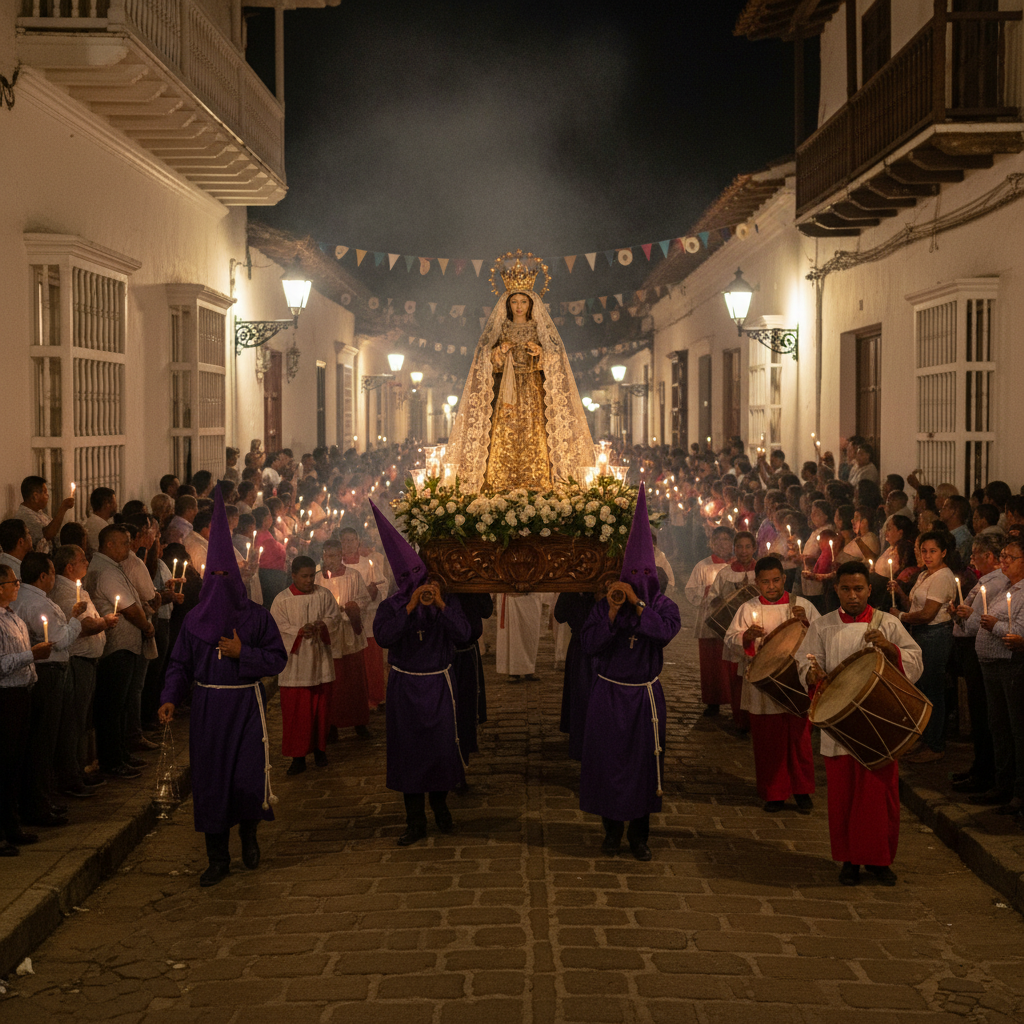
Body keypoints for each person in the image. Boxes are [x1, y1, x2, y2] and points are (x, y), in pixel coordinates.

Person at [159, 491, 288, 887]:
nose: (218, 584)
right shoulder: (194, 621)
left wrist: (242, 653)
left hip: (246, 706)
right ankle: (217, 858)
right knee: (212, 781)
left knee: (246, 776)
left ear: (236, 578)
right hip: (209, 709)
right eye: (212, 577)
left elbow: (277, 659)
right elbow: (179, 663)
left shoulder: (256, 618)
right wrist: (169, 697)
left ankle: (249, 836)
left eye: (225, 577)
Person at [798, 561, 923, 886]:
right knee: (844, 796)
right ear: (836, 590)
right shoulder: (823, 626)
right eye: (846, 589)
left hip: (879, 723)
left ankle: (879, 860)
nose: (852, 595)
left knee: (878, 796)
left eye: (858, 588)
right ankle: (849, 860)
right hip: (839, 724)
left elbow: (915, 660)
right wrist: (811, 673)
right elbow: (806, 661)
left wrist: (891, 649)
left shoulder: (887, 623)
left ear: (869, 589)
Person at [579, 485, 680, 861]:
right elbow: (590, 644)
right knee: (609, 762)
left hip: (643, 697)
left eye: (643, 574)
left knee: (643, 764)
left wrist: (638, 606)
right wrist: (611, 611)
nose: (637, 579)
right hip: (609, 694)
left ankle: (640, 836)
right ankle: (611, 831)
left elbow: (664, 633)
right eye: (631, 574)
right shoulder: (605, 604)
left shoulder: (663, 606)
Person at [443, 251, 594, 492]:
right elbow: (485, 358)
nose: (519, 306)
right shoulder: (501, 328)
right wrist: (500, 352)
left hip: (533, 390)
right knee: (505, 432)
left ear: (531, 304)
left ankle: (537, 481)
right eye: (515, 302)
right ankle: (501, 481)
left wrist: (541, 353)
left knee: (535, 433)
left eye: (523, 301)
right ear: (508, 304)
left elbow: (556, 358)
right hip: (506, 392)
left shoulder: (538, 328)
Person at [370, 502, 471, 846]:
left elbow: (464, 634)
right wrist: (410, 608)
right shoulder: (391, 607)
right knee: (409, 752)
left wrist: (440, 605)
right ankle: (415, 819)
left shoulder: (445, 601)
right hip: (406, 687)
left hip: (438, 685)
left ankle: (441, 806)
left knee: (440, 748)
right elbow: (384, 637)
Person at [724, 555, 819, 813]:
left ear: (784, 578)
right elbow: (730, 639)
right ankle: (774, 793)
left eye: (776, 580)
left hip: (796, 682)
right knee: (768, 743)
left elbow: (821, 637)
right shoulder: (748, 609)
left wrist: (807, 624)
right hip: (763, 686)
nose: (772, 586)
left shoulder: (803, 606)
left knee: (799, 741)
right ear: (757, 583)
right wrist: (746, 636)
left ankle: (802, 791)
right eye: (765, 582)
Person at [84, 525, 152, 780]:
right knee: (112, 706)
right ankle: (112, 760)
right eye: (124, 542)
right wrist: (146, 626)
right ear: (109, 544)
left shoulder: (112, 567)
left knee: (120, 704)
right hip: (117, 647)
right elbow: (129, 608)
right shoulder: (106, 571)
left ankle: (121, 752)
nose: (128, 546)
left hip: (123, 645)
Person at [887, 530, 957, 763]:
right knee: (922, 689)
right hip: (921, 634)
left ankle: (935, 745)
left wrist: (900, 616)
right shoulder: (925, 574)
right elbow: (913, 606)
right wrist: (899, 592)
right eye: (924, 551)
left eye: (933, 551)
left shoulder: (943, 577)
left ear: (943, 552)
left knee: (933, 690)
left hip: (934, 635)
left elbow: (927, 614)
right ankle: (925, 738)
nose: (927, 556)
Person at [0, 564, 55, 855]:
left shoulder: (13, 616)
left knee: (15, 764)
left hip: (22, 694)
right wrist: (30, 655)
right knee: (3, 764)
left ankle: (12, 825)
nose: (17, 586)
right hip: (5, 697)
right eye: (13, 582)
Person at [271, 555, 342, 775]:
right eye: (304, 576)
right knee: (297, 715)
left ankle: (320, 750)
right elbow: (277, 629)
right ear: (293, 575)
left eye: (312, 575)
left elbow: (335, 618)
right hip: (295, 667)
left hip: (320, 664)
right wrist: (299, 631)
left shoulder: (324, 595)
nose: (309, 580)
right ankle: (298, 757)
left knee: (320, 712)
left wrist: (323, 625)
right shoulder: (281, 600)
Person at [969, 535, 1024, 817]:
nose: (1003, 561)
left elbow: (1019, 632)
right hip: (991, 663)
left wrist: (995, 626)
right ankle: (1002, 784)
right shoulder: (1005, 586)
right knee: (998, 726)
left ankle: (1018, 791)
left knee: (1016, 729)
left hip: (1010, 665)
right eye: (1002, 555)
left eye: (1010, 557)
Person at [949, 534, 1003, 798]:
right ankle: (978, 767)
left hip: (978, 650)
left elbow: (975, 624)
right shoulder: (986, 581)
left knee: (983, 715)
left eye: (976, 553)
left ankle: (985, 772)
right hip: (971, 649)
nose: (971, 558)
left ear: (989, 556)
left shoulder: (995, 584)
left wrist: (965, 616)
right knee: (979, 713)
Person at [315, 539, 373, 740]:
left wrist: (350, 608)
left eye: (332, 555)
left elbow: (364, 599)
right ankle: (332, 724)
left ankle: (359, 722)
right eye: (325, 555)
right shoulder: (318, 578)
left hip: (348, 634)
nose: (328, 560)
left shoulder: (353, 575)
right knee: (332, 682)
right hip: (328, 636)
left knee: (354, 680)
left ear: (340, 556)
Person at [707, 530, 758, 731]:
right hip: (734, 631)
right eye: (739, 547)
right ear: (734, 549)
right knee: (736, 677)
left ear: (754, 548)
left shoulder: (761, 571)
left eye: (748, 547)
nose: (743, 551)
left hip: (757, 630)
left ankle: (755, 719)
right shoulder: (725, 573)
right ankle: (739, 719)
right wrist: (720, 601)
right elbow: (713, 597)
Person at [683, 526, 734, 716]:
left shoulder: (737, 566)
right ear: (711, 543)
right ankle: (713, 701)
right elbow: (690, 590)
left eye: (726, 539)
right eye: (717, 539)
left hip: (733, 620)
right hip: (709, 620)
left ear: (732, 543)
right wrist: (706, 592)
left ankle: (735, 701)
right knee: (711, 663)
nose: (721, 543)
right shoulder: (703, 566)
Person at [337, 526, 388, 708]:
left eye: (352, 540)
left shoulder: (368, 564)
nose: (348, 544)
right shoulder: (335, 566)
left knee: (370, 660)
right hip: (344, 621)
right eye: (345, 540)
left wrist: (374, 593)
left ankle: (373, 696)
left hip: (367, 620)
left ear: (358, 542)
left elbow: (382, 586)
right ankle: (351, 697)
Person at [450, 593, 493, 769]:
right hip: (443, 652)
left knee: (467, 707)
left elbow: (486, 610)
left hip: (467, 650)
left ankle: (463, 757)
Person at [555, 591, 597, 760]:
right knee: (580, 694)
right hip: (580, 645)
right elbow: (560, 614)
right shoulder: (571, 592)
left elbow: (560, 614)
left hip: (590, 646)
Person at [15, 476, 75, 555]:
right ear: (35, 496)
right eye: (45, 492)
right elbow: (47, 535)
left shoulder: (39, 512)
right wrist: (63, 508)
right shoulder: (25, 516)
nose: (48, 495)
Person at [495, 591, 544, 681]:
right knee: (513, 636)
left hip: (531, 597)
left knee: (530, 636)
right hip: (511, 597)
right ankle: (513, 671)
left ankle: (529, 668)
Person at [84, 487, 118, 553]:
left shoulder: (91, 521)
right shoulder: (103, 528)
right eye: (114, 502)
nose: (116, 506)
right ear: (107, 504)